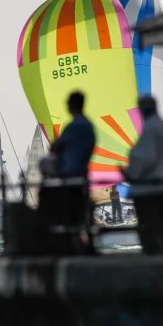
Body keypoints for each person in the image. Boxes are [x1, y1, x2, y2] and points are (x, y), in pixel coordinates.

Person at [124, 95, 163, 255]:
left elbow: (146, 158)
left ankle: (153, 259)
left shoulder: (149, 129)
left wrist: (130, 173)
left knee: (148, 230)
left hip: (148, 189)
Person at [48, 91, 96, 228]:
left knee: (70, 215)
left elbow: (55, 146)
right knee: (83, 212)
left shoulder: (73, 127)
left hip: (70, 176)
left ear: (71, 105)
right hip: (83, 174)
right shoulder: (89, 126)